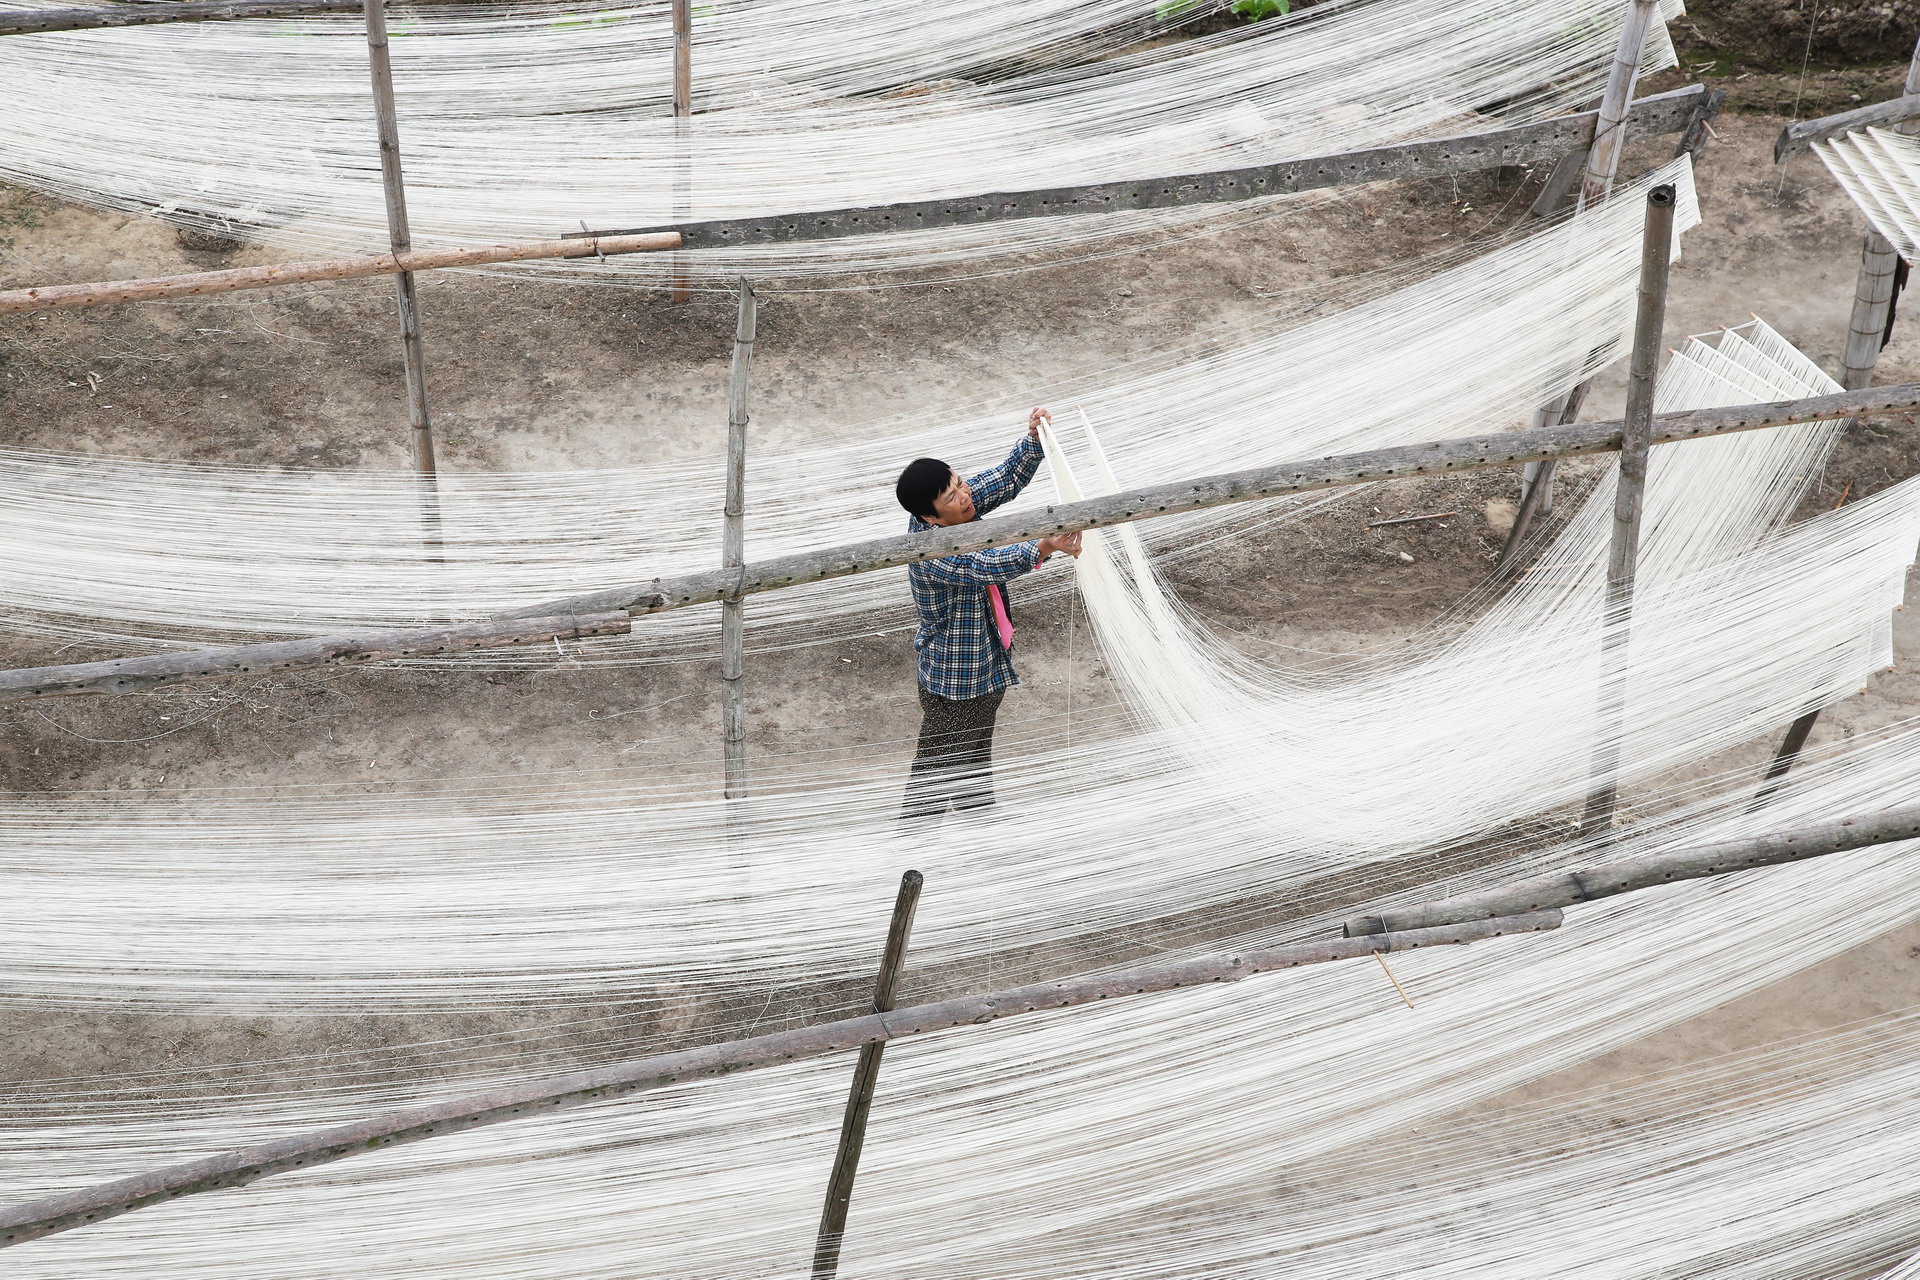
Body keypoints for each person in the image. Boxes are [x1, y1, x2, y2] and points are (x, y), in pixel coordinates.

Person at [894, 406, 1082, 822]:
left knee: (972, 765)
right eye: (952, 497)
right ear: (928, 516)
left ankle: (980, 835)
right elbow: (984, 565)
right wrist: (1044, 547)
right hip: (956, 681)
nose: (964, 497)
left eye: (959, 483)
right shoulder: (930, 551)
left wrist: (1033, 440)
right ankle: (913, 850)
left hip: (984, 666)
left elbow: (1005, 478)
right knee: (934, 777)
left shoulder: (954, 505)